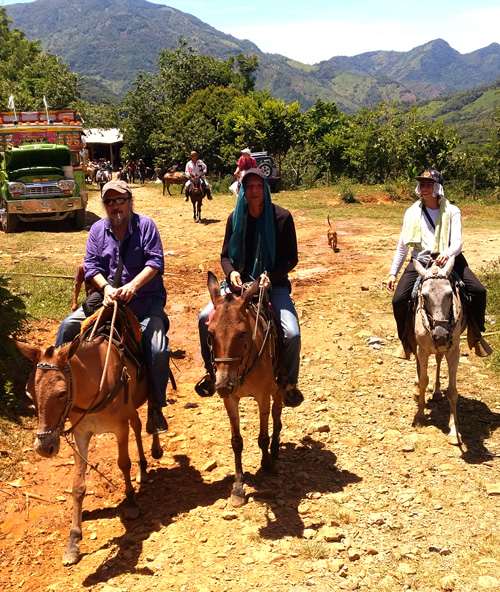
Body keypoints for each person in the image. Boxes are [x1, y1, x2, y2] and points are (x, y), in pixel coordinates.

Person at [55, 179, 171, 434]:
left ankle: (156, 407)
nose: (114, 205)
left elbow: (155, 262)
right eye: (109, 201)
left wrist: (133, 286)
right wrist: (106, 289)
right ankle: (56, 393)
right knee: (66, 327)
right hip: (106, 301)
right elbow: (92, 266)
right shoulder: (97, 229)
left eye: (119, 200)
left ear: (130, 201)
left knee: (157, 348)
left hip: (143, 300)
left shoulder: (146, 226)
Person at [196, 168, 303, 407]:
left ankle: (288, 383)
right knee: (204, 317)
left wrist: (271, 276)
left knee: (291, 333)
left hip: (271, 285)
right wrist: (231, 272)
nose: (254, 191)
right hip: (239, 287)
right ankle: (210, 374)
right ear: (243, 190)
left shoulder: (282, 218)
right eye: (249, 187)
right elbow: (225, 256)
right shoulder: (235, 218)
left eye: (258, 187)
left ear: (265, 189)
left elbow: (291, 258)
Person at [387, 168, 488, 358]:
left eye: (429, 184)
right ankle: (405, 342)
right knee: (399, 299)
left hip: (450, 259)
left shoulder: (452, 211)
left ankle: (476, 334)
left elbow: (457, 242)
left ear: (437, 187)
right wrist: (393, 272)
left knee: (479, 291)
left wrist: (447, 253)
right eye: (422, 184)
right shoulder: (411, 212)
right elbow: (403, 246)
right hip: (421, 259)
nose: (424, 188)